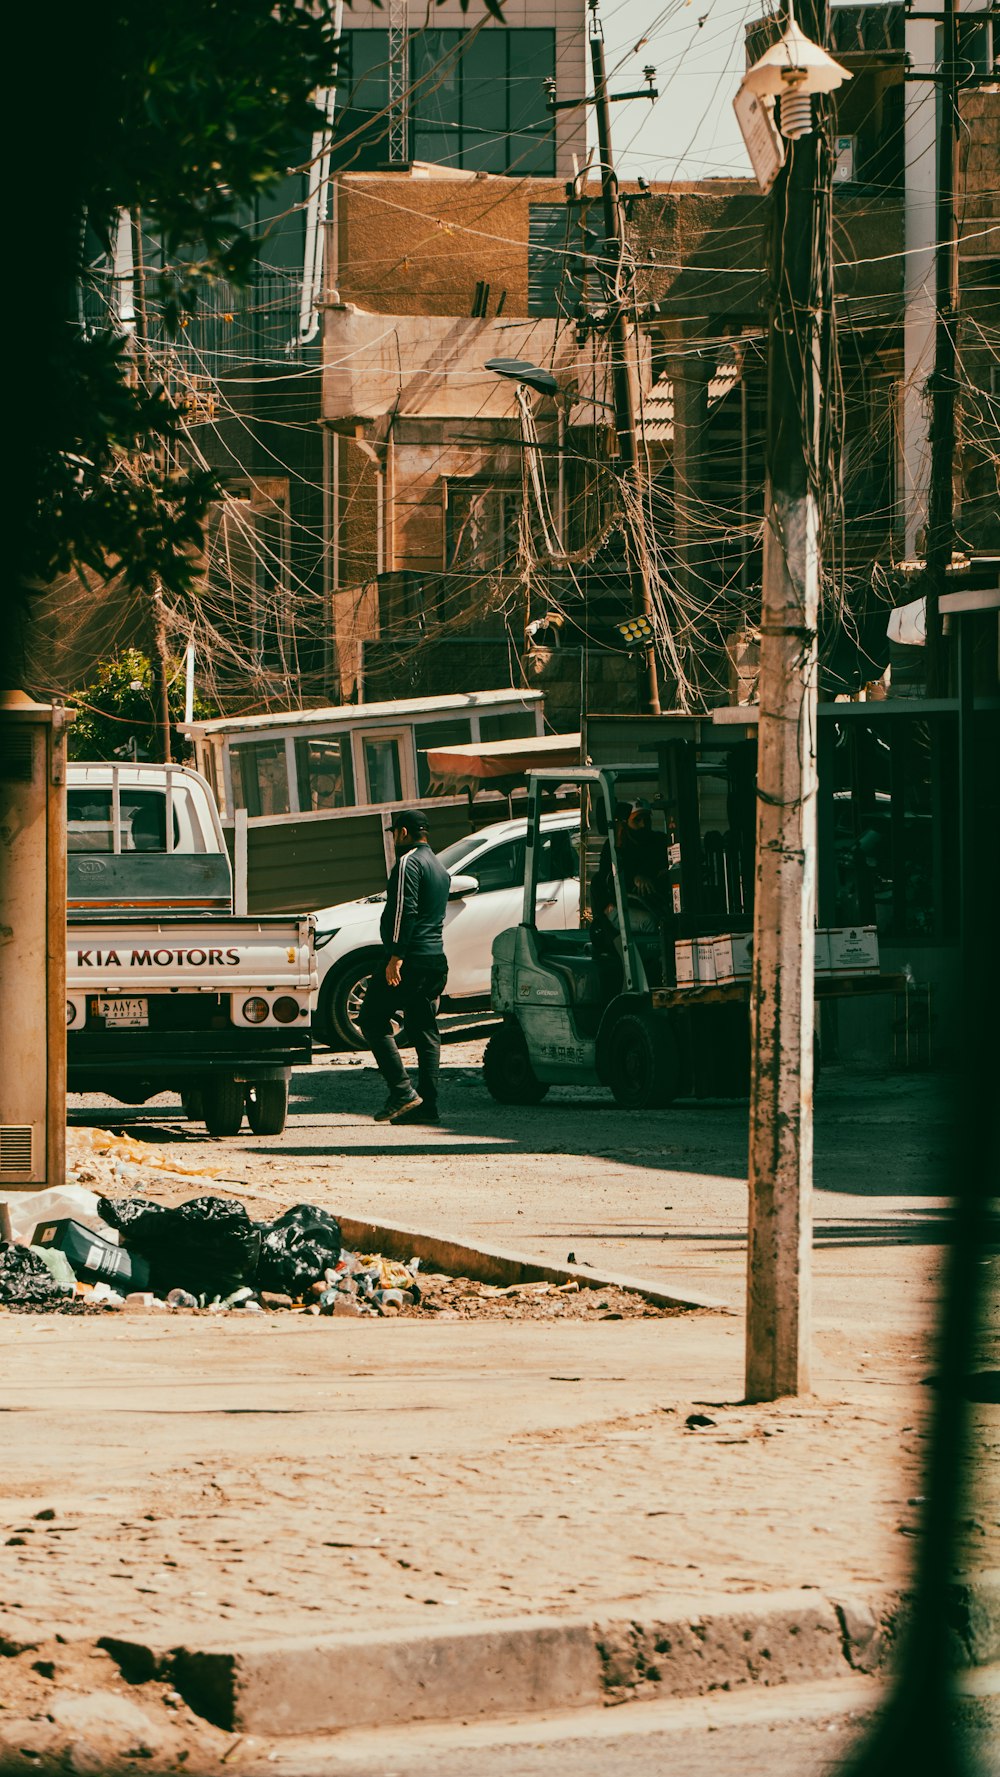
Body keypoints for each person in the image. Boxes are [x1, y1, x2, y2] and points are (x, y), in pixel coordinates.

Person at [360, 808, 450, 1126]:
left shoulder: (408, 863)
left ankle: (402, 1092)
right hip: (435, 959)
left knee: (370, 1018)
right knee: (424, 1029)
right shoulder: (440, 868)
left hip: (409, 960)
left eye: (395, 834)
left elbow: (403, 911)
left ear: (402, 833)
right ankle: (428, 1105)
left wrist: (395, 957)